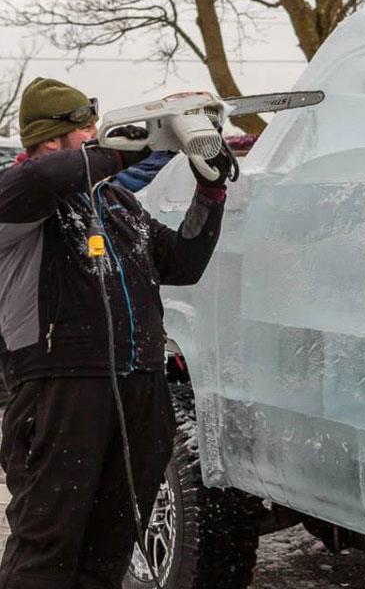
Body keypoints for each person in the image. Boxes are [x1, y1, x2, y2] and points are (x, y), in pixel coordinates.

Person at [0, 77, 233, 589]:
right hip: (60, 391)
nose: (98, 137)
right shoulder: (19, 201)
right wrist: (153, 138)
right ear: (51, 138)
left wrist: (210, 191)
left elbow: (183, 261)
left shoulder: (116, 205)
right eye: (87, 129)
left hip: (139, 390)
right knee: (48, 550)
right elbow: (47, 180)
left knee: (108, 552)